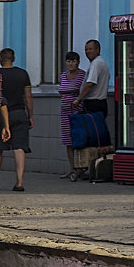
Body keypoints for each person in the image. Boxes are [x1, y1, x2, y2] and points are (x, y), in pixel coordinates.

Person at [0, 48, 32, 192]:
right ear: (14, 58)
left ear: (1, 58)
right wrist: (30, 115)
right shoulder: (23, 74)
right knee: (19, 148)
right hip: (19, 113)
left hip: (0, 116)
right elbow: (28, 97)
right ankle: (19, 182)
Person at [58, 51, 87, 179]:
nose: (71, 64)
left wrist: (78, 100)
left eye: (73, 61)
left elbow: (85, 90)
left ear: (78, 62)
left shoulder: (82, 75)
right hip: (64, 111)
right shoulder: (63, 76)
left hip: (77, 111)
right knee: (68, 141)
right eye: (68, 61)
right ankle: (71, 168)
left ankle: (80, 167)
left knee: (77, 139)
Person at [76, 39, 111, 121]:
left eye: (90, 49)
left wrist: (78, 99)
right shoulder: (101, 62)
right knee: (98, 129)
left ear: (97, 50)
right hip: (100, 103)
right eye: (86, 49)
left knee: (92, 130)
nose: (87, 52)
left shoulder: (96, 63)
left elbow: (90, 84)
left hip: (94, 103)